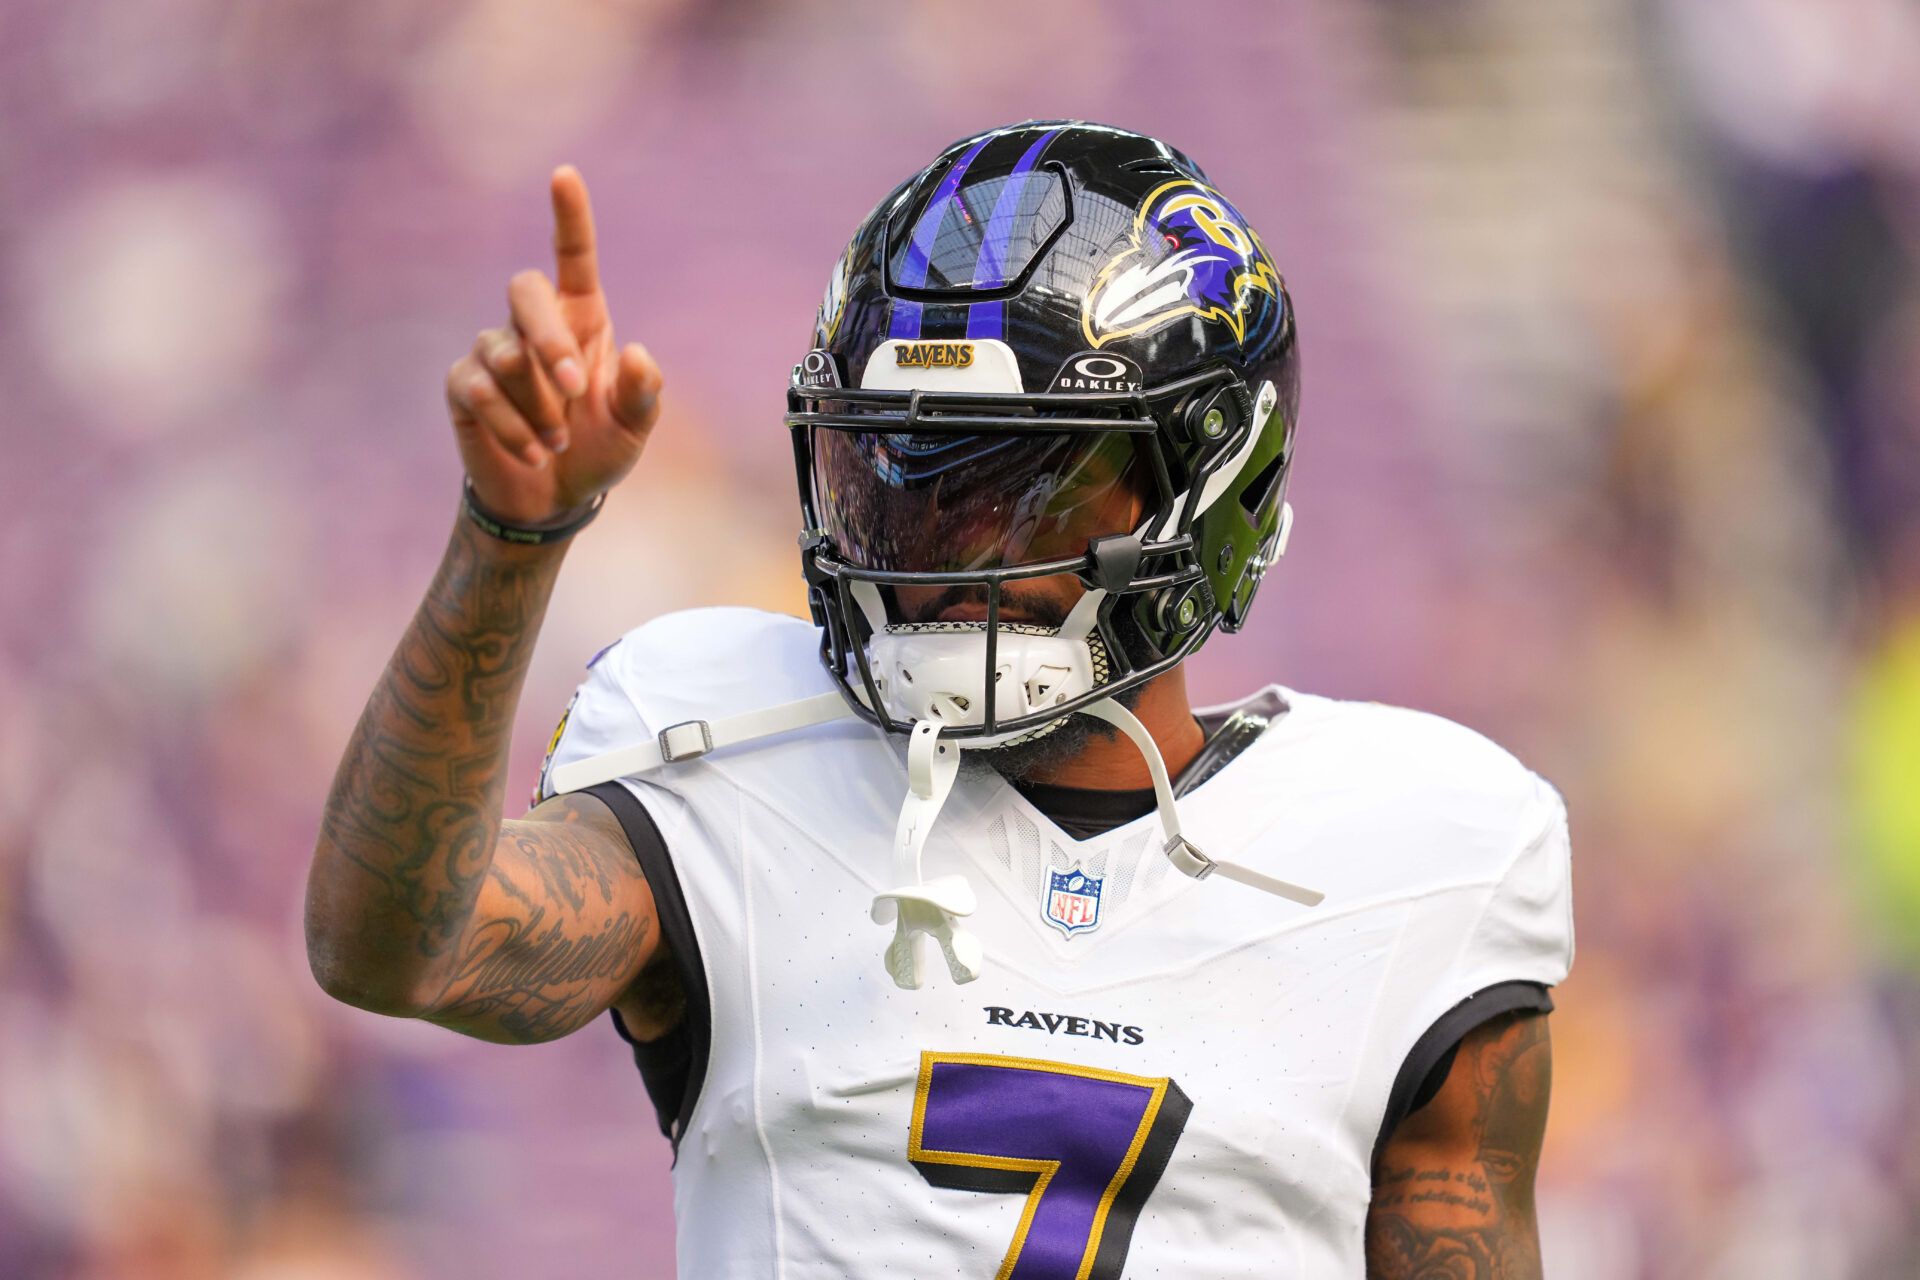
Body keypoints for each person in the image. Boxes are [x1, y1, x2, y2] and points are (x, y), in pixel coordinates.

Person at [306, 121, 1573, 1279]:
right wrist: (507, 538)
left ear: (1214, 490)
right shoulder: (728, 745)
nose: (956, 557)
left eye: (1035, 488)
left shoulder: (1420, 859)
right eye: (908, 485)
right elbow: (401, 947)